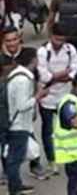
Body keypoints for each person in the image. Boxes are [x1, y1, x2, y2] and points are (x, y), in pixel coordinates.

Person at [37, 24, 77, 179]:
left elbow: (75, 71)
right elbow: (44, 76)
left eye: (62, 39)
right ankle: (51, 159)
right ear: (51, 36)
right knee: (48, 130)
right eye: (56, 39)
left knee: (69, 127)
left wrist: (57, 75)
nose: (59, 42)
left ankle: (69, 155)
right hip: (47, 97)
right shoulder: (43, 52)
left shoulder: (70, 50)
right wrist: (64, 74)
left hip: (65, 96)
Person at [6, 47, 39, 195]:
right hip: (18, 125)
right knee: (15, 159)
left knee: (15, 157)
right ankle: (15, 188)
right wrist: (37, 98)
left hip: (17, 122)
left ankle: (16, 185)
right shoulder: (23, 80)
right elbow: (22, 105)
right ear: (32, 60)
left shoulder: (17, 75)